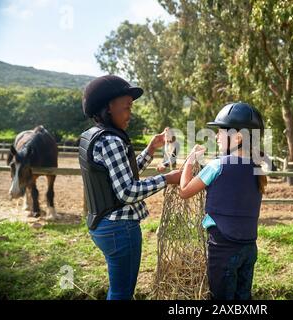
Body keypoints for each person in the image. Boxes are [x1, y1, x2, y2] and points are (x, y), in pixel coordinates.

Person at [78, 75, 181, 300]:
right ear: (108, 107)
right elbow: (127, 192)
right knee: (122, 293)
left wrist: (151, 148)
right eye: (127, 107)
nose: (130, 113)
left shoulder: (93, 136)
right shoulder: (112, 141)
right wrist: (168, 179)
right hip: (120, 229)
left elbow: (121, 172)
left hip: (101, 225)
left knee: (118, 290)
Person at [178, 102, 267, 300]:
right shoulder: (258, 167)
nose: (217, 136)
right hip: (249, 246)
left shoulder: (217, 166)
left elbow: (184, 191)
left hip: (223, 248)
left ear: (238, 137)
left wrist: (190, 160)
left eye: (221, 131)